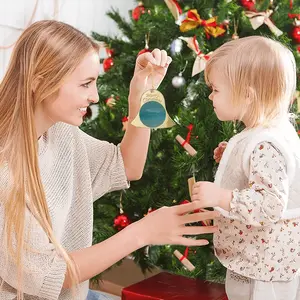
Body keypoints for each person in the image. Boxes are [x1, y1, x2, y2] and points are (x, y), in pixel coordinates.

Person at [0, 20, 219, 300]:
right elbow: (52, 276)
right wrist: (142, 232)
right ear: (40, 82)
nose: (94, 96)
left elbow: (127, 167)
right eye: (85, 84)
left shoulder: (61, 133)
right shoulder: (6, 170)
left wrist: (139, 93)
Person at [191, 36, 300, 300]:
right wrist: (232, 152)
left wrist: (221, 197)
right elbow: (270, 171)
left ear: (247, 95)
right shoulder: (267, 132)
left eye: (216, 89)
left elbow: (270, 205)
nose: (210, 95)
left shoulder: (266, 145)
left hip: (264, 272)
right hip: (263, 262)